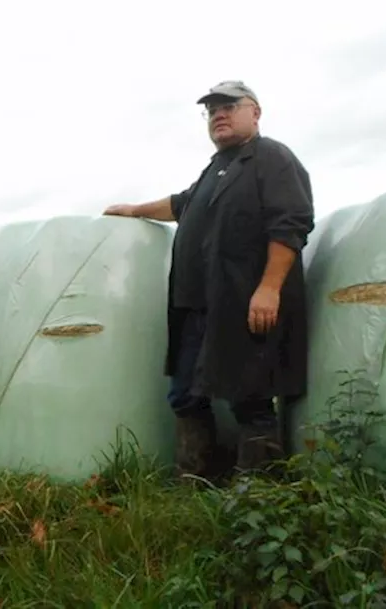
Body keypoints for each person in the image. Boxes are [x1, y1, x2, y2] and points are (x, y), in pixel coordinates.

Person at [104, 80, 314, 478]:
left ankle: (259, 496)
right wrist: (133, 210)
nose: (218, 113)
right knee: (184, 394)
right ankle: (196, 482)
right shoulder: (216, 169)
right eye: (212, 109)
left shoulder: (272, 157)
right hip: (196, 309)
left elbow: (292, 224)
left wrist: (269, 289)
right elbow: (180, 205)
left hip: (244, 303)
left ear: (255, 112)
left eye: (229, 106)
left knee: (249, 395)